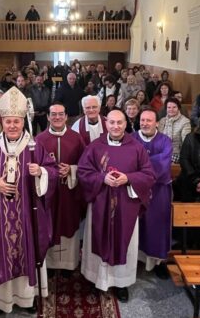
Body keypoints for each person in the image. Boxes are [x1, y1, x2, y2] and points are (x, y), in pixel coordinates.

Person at [0, 87, 59, 315]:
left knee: (26, 251)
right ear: (2, 122)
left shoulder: (34, 146)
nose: (12, 126)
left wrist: (40, 170)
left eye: (17, 122)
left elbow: (53, 170)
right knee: (0, 252)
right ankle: (2, 301)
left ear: (23, 122)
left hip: (27, 215)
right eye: (8, 121)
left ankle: (27, 299)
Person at [77, 109, 156, 302]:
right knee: (97, 238)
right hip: (100, 204)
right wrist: (102, 178)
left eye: (119, 122)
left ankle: (121, 283)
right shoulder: (95, 146)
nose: (115, 126)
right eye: (111, 122)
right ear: (106, 124)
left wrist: (128, 178)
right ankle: (97, 279)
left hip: (126, 206)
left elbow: (148, 175)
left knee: (124, 242)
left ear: (126, 124)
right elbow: (83, 172)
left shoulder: (136, 147)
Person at [34, 103, 87, 274]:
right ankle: (48, 264)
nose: (57, 117)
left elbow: (86, 164)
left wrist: (71, 169)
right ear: (48, 117)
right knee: (49, 224)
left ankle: (68, 264)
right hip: (48, 194)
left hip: (69, 193)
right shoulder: (39, 139)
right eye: (53, 114)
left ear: (66, 117)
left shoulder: (76, 138)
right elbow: (33, 165)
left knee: (68, 223)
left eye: (61, 114)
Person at [133, 108, 173, 280]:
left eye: (149, 120)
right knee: (136, 225)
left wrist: (140, 166)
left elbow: (163, 166)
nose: (145, 123)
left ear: (157, 123)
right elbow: (126, 162)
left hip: (158, 191)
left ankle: (157, 262)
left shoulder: (165, 141)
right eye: (142, 120)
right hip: (134, 190)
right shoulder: (132, 139)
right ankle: (134, 260)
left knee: (157, 226)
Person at [158, 97, 192, 163]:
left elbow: (186, 141)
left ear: (178, 108)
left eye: (174, 107)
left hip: (177, 154)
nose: (171, 109)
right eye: (169, 107)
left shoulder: (185, 121)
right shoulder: (162, 120)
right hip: (162, 153)